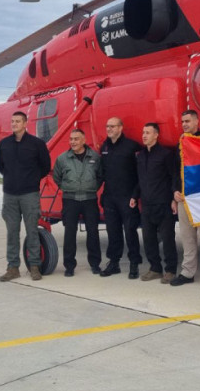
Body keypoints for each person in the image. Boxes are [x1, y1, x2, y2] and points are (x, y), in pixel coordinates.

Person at [0, 111, 51, 282]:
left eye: (18, 121)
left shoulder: (37, 144)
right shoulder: (4, 144)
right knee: (12, 232)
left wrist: (31, 180)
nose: (14, 124)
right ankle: (13, 267)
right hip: (10, 195)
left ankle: (35, 266)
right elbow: (0, 166)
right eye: (12, 121)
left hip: (29, 194)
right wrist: (13, 179)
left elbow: (45, 166)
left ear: (25, 123)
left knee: (32, 230)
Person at [171, 110, 200, 291]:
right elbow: (176, 171)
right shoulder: (180, 143)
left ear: (197, 122)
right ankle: (188, 272)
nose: (184, 124)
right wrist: (175, 191)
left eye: (188, 121)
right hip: (183, 197)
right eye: (182, 121)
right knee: (187, 237)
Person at [52, 129, 103, 277]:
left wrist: (91, 187)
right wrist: (67, 188)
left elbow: (100, 176)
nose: (73, 142)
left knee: (93, 233)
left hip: (89, 199)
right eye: (71, 139)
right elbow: (57, 177)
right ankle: (69, 266)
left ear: (83, 140)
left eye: (76, 139)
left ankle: (95, 264)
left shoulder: (95, 157)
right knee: (69, 234)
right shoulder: (62, 159)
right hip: (70, 200)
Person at [132, 122, 178, 284]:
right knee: (149, 238)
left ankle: (171, 270)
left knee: (168, 238)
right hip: (146, 205)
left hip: (164, 204)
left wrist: (174, 198)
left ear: (156, 135)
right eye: (143, 132)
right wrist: (134, 196)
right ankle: (155, 269)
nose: (144, 135)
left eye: (148, 133)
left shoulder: (166, 154)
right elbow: (140, 179)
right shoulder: (141, 156)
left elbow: (174, 176)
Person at [99, 117, 144, 279]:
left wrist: (135, 195)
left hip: (127, 197)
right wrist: (102, 195)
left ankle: (134, 264)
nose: (109, 129)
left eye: (112, 126)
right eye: (107, 126)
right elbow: (102, 173)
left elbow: (140, 173)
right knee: (113, 231)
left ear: (120, 128)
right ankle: (114, 263)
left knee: (130, 231)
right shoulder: (104, 147)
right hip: (110, 197)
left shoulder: (132, 147)